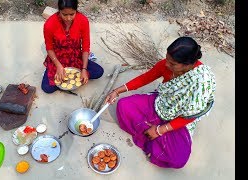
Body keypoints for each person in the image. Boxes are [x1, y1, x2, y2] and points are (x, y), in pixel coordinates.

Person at [105, 36, 216, 169]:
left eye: (173, 64)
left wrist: (160, 130)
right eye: (167, 59)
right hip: (161, 103)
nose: (167, 64)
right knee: (123, 106)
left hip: (179, 119)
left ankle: (150, 133)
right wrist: (117, 91)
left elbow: (190, 116)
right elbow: (146, 78)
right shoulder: (167, 64)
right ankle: (151, 135)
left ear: (188, 64)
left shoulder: (202, 81)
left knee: (178, 160)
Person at [41, 0, 104, 93]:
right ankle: (51, 71)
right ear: (59, 11)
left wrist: (84, 69)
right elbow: (49, 48)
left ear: (76, 10)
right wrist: (58, 66)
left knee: (99, 72)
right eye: (64, 14)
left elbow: (86, 47)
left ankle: (76, 71)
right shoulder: (50, 24)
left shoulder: (83, 20)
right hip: (58, 57)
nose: (68, 18)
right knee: (47, 88)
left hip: (76, 55)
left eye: (72, 14)